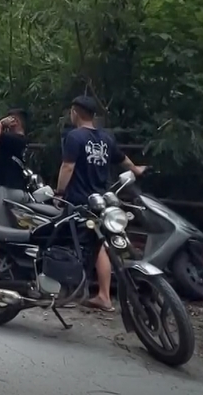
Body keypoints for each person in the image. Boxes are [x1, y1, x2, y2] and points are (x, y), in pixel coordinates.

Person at [56, 95, 145, 312]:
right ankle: (103, 295)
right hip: (101, 200)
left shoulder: (74, 137)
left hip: (79, 201)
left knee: (62, 239)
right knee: (100, 245)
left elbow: (68, 167)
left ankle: (66, 290)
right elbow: (122, 158)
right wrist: (135, 170)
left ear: (75, 112)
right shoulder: (106, 138)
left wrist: (59, 192)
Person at [0, 109, 32, 227]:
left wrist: (1, 123)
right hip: (19, 188)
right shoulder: (20, 140)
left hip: (7, 188)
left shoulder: (13, 139)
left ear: (15, 121)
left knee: (4, 228)